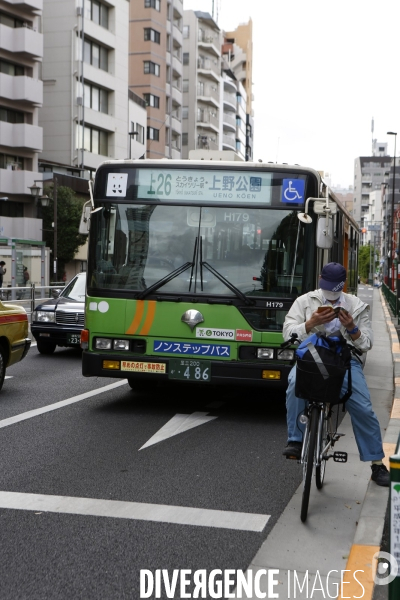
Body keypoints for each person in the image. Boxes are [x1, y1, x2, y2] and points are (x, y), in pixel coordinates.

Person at [282, 262, 389, 487]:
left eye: (335, 290)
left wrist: (352, 328)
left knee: (362, 405)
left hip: (344, 359)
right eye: (328, 288)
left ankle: (376, 463)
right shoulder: (305, 301)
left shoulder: (356, 305)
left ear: (344, 285)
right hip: (312, 357)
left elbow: (367, 343)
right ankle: (295, 439)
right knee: (294, 383)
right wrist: (310, 323)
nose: (331, 295)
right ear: (320, 279)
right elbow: (287, 333)